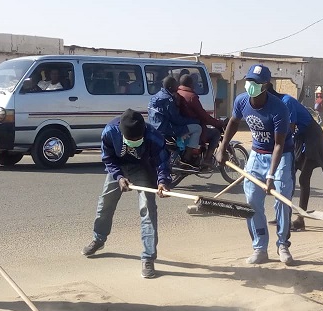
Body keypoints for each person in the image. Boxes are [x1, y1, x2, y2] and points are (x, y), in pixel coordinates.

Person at [216, 64, 295, 266]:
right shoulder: (242, 101)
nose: (251, 85)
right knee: (251, 201)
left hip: (280, 156)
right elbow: (233, 122)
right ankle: (260, 248)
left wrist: (270, 176)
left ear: (266, 85)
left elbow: (279, 144)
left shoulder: (279, 108)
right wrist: (222, 147)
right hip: (257, 154)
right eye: (249, 80)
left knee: (283, 200)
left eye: (256, 82)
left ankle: (283, 245)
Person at [82, 109, 171, 279]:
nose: (134, 142)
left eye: (138, 140)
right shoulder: (110, 132)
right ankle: (98, 239)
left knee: (147, 211)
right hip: (119, 168)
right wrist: (119, 176)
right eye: (131, 140)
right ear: (122, 133)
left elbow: (163, 161)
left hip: (143, 168)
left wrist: (162, 182)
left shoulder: (153, 136)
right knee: (105, 203)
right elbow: (107, 157)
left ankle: (148, 258)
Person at [267, 83, 323, 231]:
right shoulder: (274, 105)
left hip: (311, 138)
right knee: (287, 176)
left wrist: (277, 147)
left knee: (304, 178)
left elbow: (289, 129)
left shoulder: (286, 102)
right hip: (298, 138)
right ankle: (282, 215)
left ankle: (300, 220)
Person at [148, 76, 202, 168]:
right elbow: (177, 119)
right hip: (167, 128)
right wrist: (195, 120)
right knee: (197, 128)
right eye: (175, 85)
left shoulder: (157, 96)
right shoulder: (168, 99)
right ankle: (187, 157)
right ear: (170, 87)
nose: (177, 87)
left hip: (156, 127)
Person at [177, 74, 225, 168]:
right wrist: (218, 123)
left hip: (182, 125)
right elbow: (203, 116)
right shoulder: (191, 97)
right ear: (191, 84)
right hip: (192, 126)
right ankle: (207, 160)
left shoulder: (178, 93)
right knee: (215, 133)